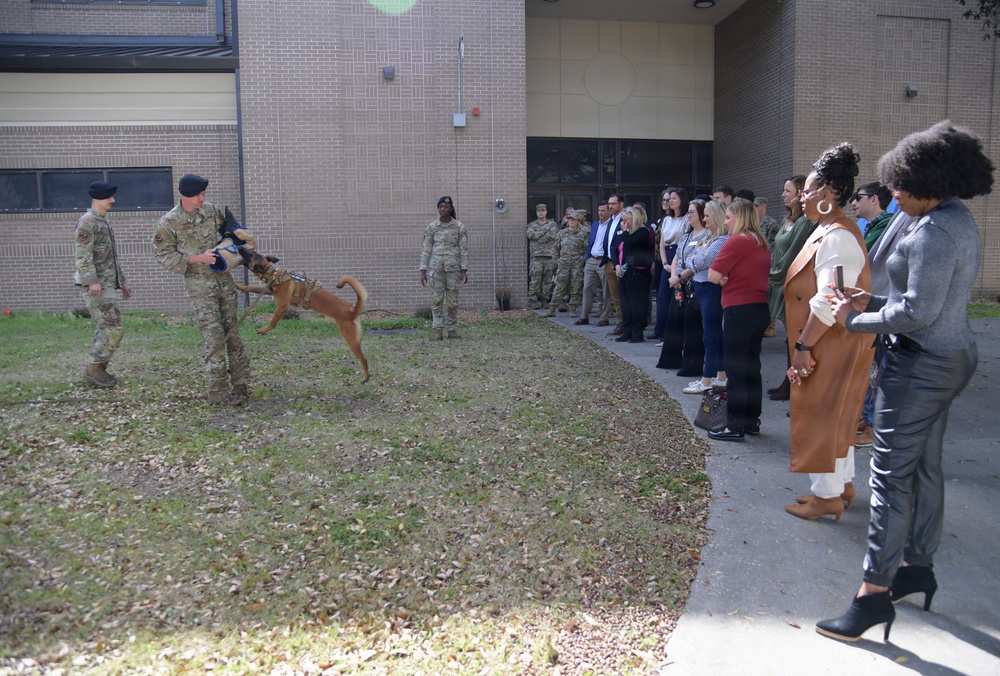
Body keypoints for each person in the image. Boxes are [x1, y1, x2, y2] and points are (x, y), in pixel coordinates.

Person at [817, 121, 994, 643]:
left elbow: (916, 312)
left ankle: (871, 598)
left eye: (902, 184)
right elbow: (916, 301)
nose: (893, 192)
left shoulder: (937, 230)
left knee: (891, 479)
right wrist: (867, 302)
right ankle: (917, 569)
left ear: (932, 180)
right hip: (946, 355)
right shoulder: (948, 216)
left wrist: (855, 321)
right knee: (926, 468)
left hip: (923, 363)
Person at [782, 143, 872, 522]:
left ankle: (827, 497)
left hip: (827, 341)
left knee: (822, 413)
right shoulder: (829, 231)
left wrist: (803, 346)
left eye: (809, 189)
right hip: (834, 340)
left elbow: (828, 299)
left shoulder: (836, 236)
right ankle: (842, 486)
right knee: (839, 413)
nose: (802, 195)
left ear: (829, 193)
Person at [152, 173, 251, 405]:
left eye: (203, 194)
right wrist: (197, 258)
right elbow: (164, 256)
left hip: (224, 283)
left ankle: (242, 385)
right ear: (185, 196)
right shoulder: (168, 223)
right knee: (214, 336)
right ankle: (218, 391)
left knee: (232, 334)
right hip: (200, 287)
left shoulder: (211, 211)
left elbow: (233, 232)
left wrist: (240, 242)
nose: (202, 198)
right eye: (198, 194)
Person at [706, 199, 772, 440]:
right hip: (759, 309)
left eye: (728, 218)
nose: (725, 222)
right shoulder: (760, 241)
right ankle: (751, 420)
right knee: (751, 367)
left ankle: (734, 426)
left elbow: (713, 274)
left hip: (739, 310)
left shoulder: (737, 241)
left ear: (739, 218)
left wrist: (723, 279)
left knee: (735, 369)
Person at [75, 180, 132, 387]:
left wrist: (122, 282)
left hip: (107, 283)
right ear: (97, 198)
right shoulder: (88, 222)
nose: (112, 200)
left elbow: (110, 258)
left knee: (107, 327)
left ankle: (97, 368)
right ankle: (94, 369)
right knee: (112, 328)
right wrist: (91, 281)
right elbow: (82, 255)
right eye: (109, 197)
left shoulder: (103, 221)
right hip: (97, 286)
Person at [765, 176, 817, 400]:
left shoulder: (804, 222)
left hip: (789, 283)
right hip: (780, 282)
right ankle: (788, 382)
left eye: (787, 191)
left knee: (797, 338)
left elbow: (793, 255)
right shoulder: (788, 220)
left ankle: (798, 387)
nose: (783, 195)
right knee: (790, 338)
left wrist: (772, 276)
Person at [681, 200, 728, 394]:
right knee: (713, 335)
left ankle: (706, 380)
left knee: (710, 335)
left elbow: (704, 260)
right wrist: (695, 260)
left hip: (711, 290)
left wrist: (695, 260)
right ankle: (721, 377)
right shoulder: (710, 237)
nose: (704, 219)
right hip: (702, 289)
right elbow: (691, 258)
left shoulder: (721, 240)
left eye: (707, 215)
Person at [657, 199, 707, 375]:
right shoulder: (686, 236)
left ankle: (692, 365)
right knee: (674, 322)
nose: (689, 215)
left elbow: (698, 261)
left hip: (693, 284)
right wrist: (674, 277)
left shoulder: (707, 236)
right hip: (678, 284)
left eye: (692, 212)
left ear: (701, 215)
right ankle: (671, 359)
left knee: (692, 327)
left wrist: (680, 276)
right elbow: (677, 257)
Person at [420, 196, 469, 340]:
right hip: (436, 270)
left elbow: (463, 250)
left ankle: (452, 330)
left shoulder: (459, 227)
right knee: (437, 301)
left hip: (453, 270)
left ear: (451, 208)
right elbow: (426, 249)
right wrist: (423, 270)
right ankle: (437, 331)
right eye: (441, 206)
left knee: (453, 302)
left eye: (446, 207)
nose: (443, 209)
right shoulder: (432, 227)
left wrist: (464, 270)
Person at [650, 188, 690, 341]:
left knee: (679, 297)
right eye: (669, 198)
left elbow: (685, 242)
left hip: (680, 256)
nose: (670, 201)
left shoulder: (687, 219)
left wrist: (674, 263)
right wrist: (665, 262)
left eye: (674, 198)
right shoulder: (666, 220)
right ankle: (661, 330)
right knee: (662, 297)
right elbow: (661, 243)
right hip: (666, 257)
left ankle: (675, 333)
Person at [614, 206, 654, 343]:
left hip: (638, 271)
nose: (624, 223)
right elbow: (616, 248)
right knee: (625, 303)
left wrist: (626, 233)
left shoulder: (643, 232)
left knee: (637, 303)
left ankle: (637, 333)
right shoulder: (625, 232)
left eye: (626, 220)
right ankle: (627, 331)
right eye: (623, 220)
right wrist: (617, 265)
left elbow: (632, 247)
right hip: (625, 271)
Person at [545, 210, 589, 318]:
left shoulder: (583, 234)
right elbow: (555, 248)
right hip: (563, 263)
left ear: (578, 221)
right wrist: (556, 260)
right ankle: (552, 308)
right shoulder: (561, 233)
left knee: (576, 286)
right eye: (570, 219)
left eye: (574, 220)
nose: (572, 222)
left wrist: (583, 260)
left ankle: (573, 308)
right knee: (559, 286)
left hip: (577, 263)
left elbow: (587, 249)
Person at [579, 202, 610, 325]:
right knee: (587, 288)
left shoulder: (612, 225)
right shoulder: (595, 225)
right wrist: (588, 257)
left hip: (604, 260)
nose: (600, 213)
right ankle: (584, 316)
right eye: (599, 210)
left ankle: (604, 318)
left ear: (608, 211)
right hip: (592, 259)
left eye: (603, 210)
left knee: (606, 290)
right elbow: (591, 242)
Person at [601, 193, 626, 335]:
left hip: (621, 263)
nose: (610, 206)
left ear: (621, 204)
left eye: (613, 204)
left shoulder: (624, 219)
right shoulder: (611, 220)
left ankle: (625, 324)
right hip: (609, 262)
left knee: (623, 296)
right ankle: (620, 323)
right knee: (615, 296)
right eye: (609, 204)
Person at [526, 204, 558, 310]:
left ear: (546, 212)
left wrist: (538, 236)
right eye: (539, 210)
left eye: (542, 210)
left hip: (549, 256)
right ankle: (533, 301)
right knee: (535, 279)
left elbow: (552, 236)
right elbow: (531, 236)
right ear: (536, 212)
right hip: (536, 257)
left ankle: (545, 300)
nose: (540, 212)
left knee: (547, 281)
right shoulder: (531, 225)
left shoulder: (552, 225)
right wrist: (545, 232)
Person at [850, 182, 893, 251]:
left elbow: (859, 253)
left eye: (858, 197)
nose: (853, 203)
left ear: (873, 199)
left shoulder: (886, 223)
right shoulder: (878, 224)